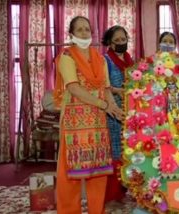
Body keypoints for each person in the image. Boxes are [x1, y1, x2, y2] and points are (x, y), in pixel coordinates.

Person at [53, 16, 123, 214]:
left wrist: (113, 107)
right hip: (74, 122)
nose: (85, 33)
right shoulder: (67, 56)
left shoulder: (100, 58)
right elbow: (74, 88)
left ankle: (96, 210)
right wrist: (104, 105)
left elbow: (106, 88)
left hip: (98, 121)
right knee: (70, 173)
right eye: (80, 29)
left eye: (87, 29)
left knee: (98, 171)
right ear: (71, 34)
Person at [101, 25, 134, 205]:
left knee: (128, 151)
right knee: (114, 152)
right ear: (109, 43)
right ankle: (111, 194)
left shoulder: (130, 60)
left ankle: (123, 191)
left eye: (124, 40)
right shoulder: (105, 60)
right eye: (117, 41)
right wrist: (118, 91)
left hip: (130, 112)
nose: (122, 43)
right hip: (113, 112)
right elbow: (102, 85)